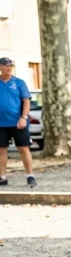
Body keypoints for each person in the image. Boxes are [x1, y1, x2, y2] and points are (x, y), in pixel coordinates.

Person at [0, 57, 37, 188]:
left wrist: (24, 117)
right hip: (1, 124)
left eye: (10, 66)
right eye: (6, 66)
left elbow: (26, 101)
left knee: (23, 148)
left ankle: (30, 176)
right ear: (0, 67)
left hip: (18, 122)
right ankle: (2, 177)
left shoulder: (19, 83)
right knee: (1, 150)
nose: (9, 68)